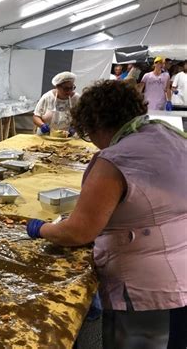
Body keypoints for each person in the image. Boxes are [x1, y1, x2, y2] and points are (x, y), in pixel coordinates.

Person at [26, 80, 187, 349]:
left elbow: (78, 231)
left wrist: (40, 229)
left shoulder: (116, 160)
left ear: (99, 124)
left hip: (146, 290)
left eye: (89, 133)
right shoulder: (170, 136)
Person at [33, 71, 80, 136]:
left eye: (71, 88)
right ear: (57, 87)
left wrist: (75, 127)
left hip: (68, 136)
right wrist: (42, 125)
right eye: (66, 88)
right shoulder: (47, 97)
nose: (69, 91)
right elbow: (36, 117)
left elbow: (82, 118)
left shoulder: (76, 99)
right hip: (46, 135)